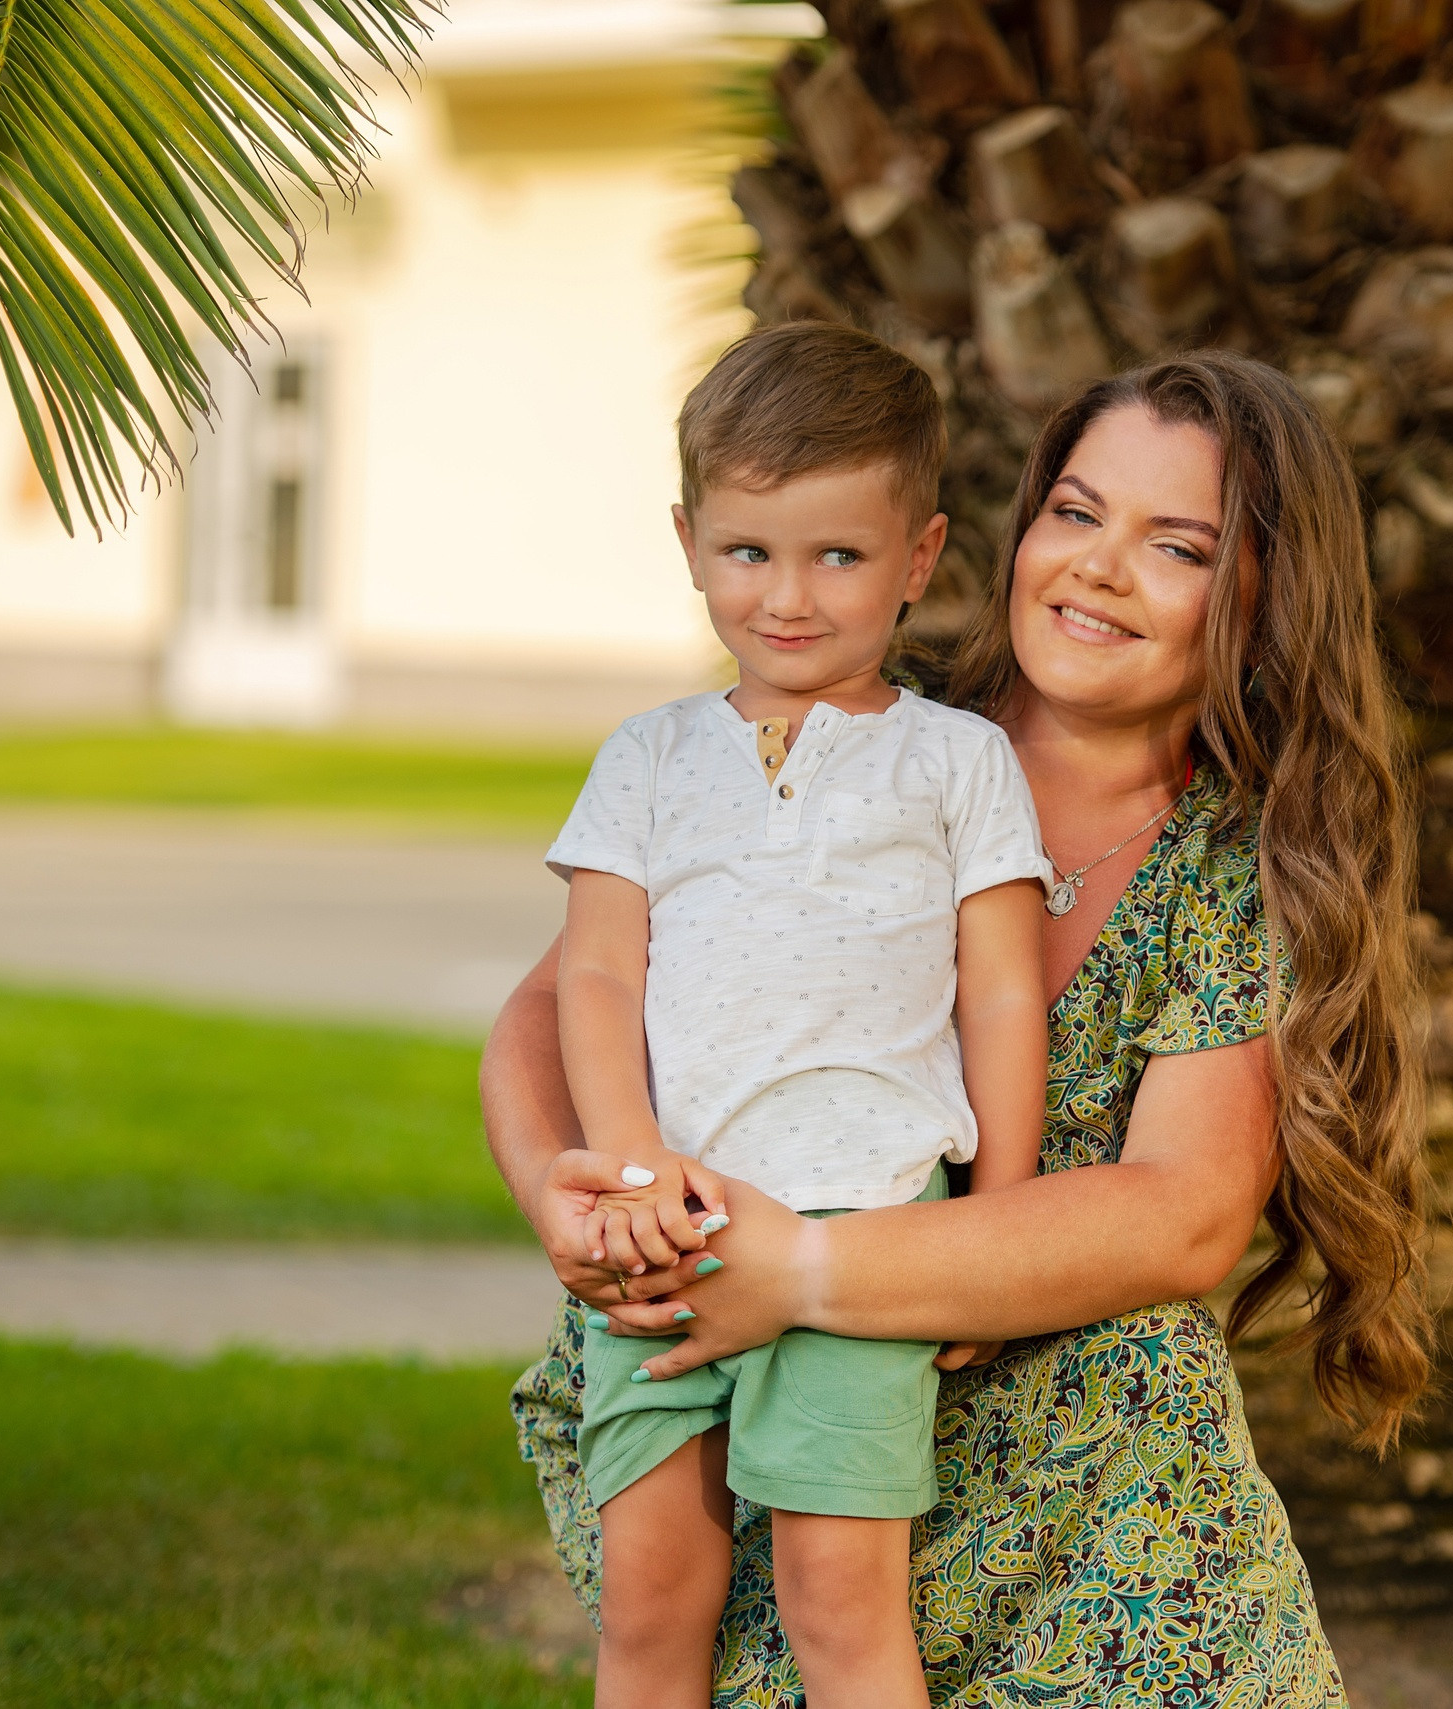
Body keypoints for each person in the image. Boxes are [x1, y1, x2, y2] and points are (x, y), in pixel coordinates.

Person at [486, 350, 1432, 1707]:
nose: (1100, 567)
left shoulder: (1235, 867)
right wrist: (571, 1196)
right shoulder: (853, 716)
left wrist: (808, 1269)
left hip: (1087, 1471)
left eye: (1176, 546)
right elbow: (558, 1002)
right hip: (748, 1375)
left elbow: (1182, 1215)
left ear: (1263, 596)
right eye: (1076, 512)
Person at [546, 321, 1052, 1709]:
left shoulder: (958, 762)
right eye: (747, 550)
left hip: (870, 1225)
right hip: (668, 1227)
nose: (787, 595)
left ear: (920, 555)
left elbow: (1002, 990)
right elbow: (597, 976)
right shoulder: (648, 757)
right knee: (650, 1594)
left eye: (837, 554)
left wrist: (994, 1228)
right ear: (688, 539)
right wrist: (632, 1166)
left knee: (839, 1597)